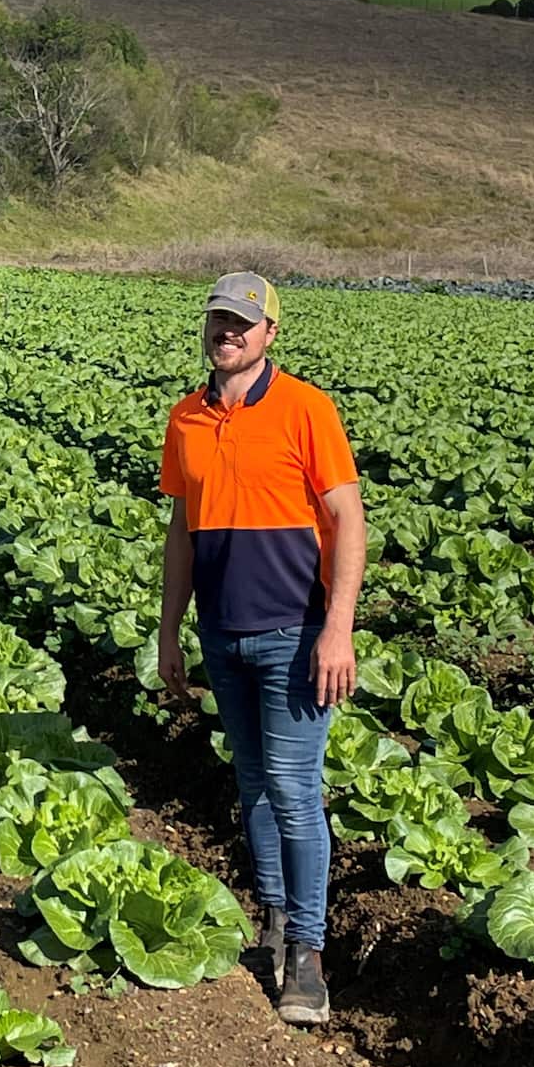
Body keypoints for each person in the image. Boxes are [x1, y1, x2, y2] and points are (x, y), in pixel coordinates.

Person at [156, 272, 365, 1026]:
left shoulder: (307, 409)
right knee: (251, 783)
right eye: (218, 321)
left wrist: (336, 628)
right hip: (222, 630)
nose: (228, 334)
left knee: (293, 788)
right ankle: (274, 918)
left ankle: (308, 953)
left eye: (243, 324)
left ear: (270, 334)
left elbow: (348, 520)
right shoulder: (186, 418)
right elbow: (183, 529)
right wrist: (169, 629)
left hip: (295, 631)